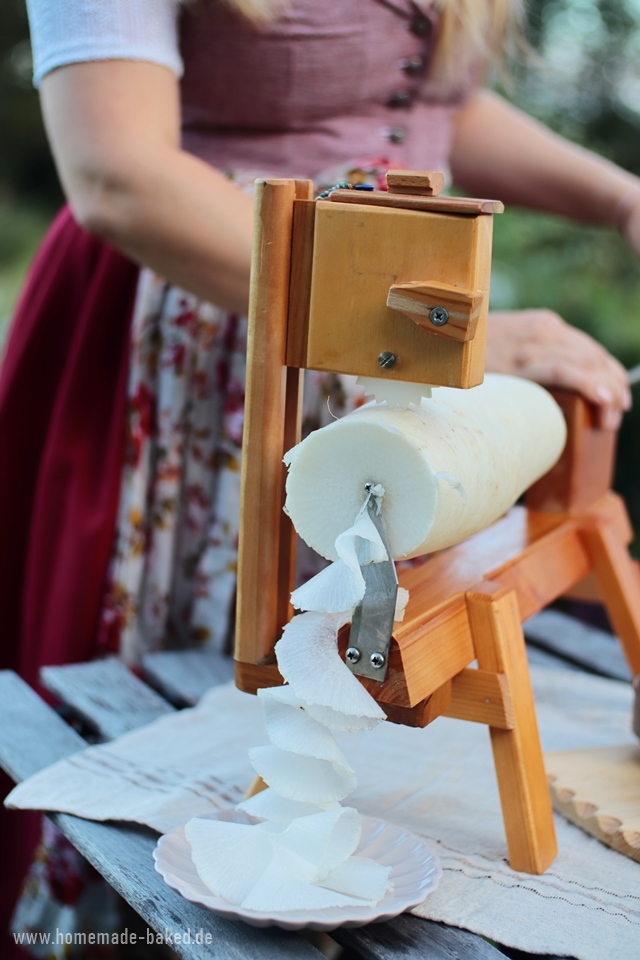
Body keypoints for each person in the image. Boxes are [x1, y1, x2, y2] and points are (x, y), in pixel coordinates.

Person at [1, 0, 639, 954]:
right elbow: (119, 175)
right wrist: (462, 339)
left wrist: (622, 195)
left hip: (396, 329)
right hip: (213, 328)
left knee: (368, 633)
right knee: (189, 688)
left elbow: (430, 104)